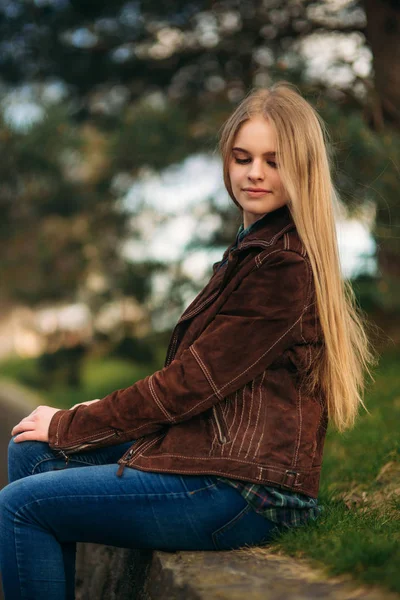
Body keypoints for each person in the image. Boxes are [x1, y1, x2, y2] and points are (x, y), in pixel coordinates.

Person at [0, 82, 376, 600]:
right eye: (243, 158)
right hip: (214, 458)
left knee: (20, 505)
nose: (255, 173)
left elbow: (190, 384)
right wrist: (81, 420)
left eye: (274, 160)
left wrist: (74, 422)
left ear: (304, 168)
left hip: (247, 493)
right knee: (30, 451)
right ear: (227, 161)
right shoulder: (253, 250)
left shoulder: (282, 267)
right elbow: (198, 381)